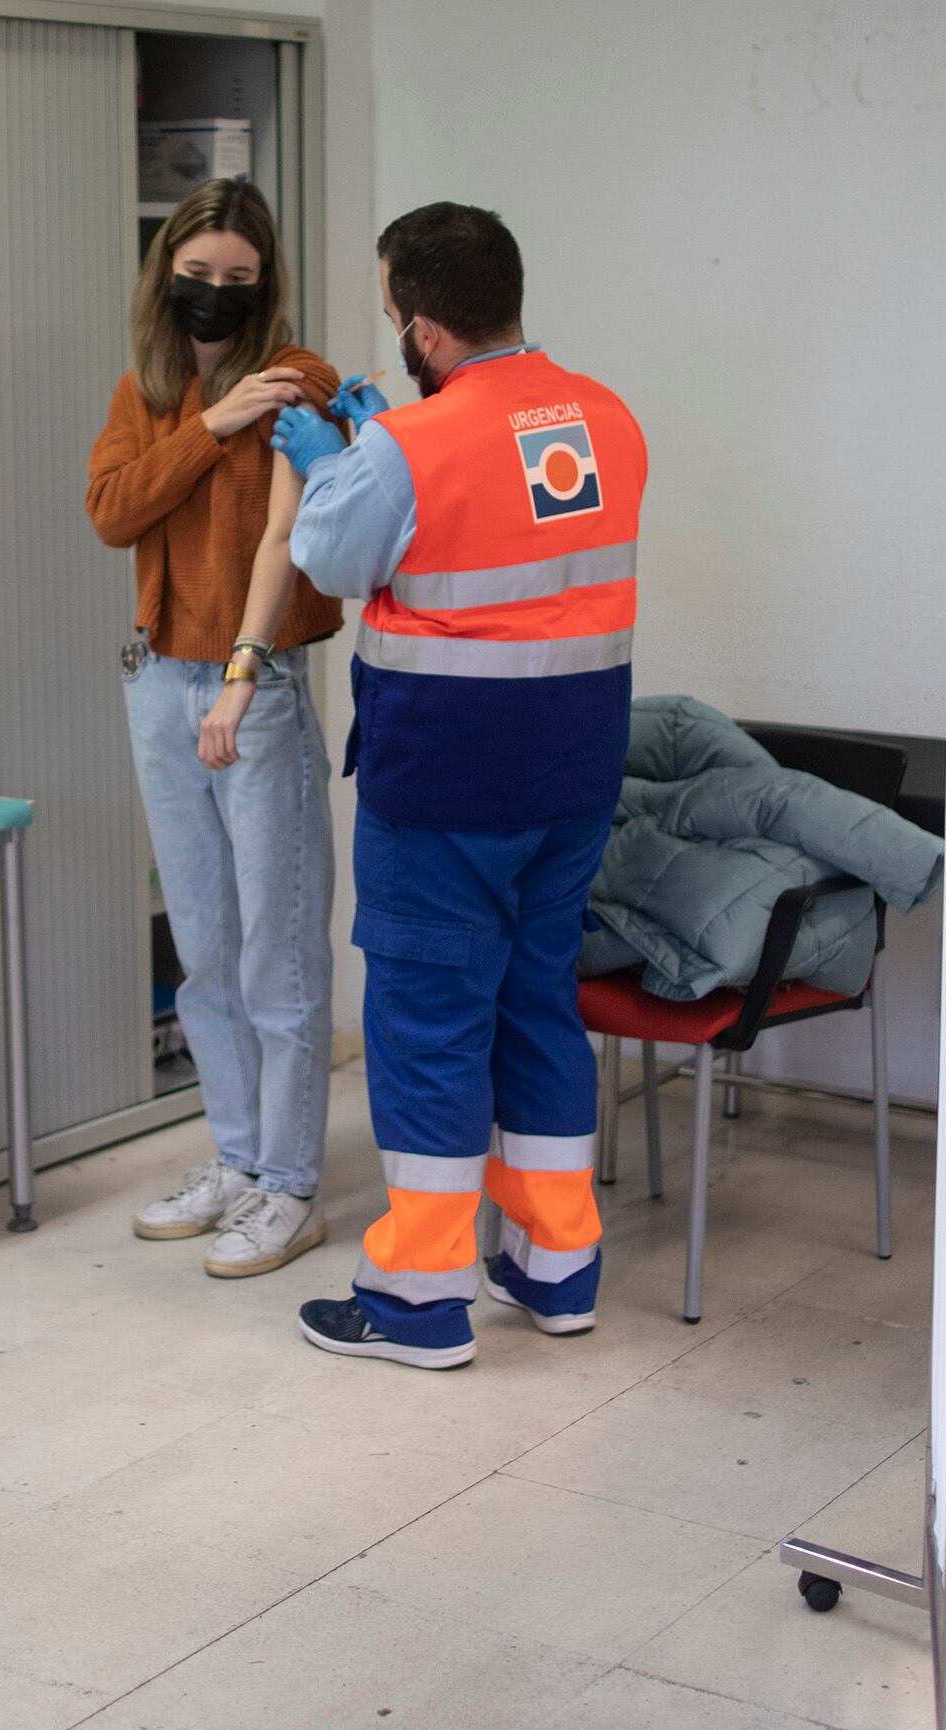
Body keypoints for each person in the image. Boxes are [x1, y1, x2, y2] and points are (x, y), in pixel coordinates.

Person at [269, 202, 646, 1368]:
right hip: (573, 774)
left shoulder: (408, 448)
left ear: (424, 328)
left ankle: (418, 1300)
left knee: (429, 1025)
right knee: (537, 1005)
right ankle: (556, 1266)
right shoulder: (607, 419)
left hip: (446, 784)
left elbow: (328, 561)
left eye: (393, 317)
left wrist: (341, 470)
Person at [85, 178, 342, 1279]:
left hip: (259, 684)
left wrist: (240, 678)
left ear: (265, 282)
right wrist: (209, 423)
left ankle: (288, 1186)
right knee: (203, 952)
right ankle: (236, 1161)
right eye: (200, 278)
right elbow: (113, 513)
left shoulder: (302, 379)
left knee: (275, 953)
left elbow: (290, 540)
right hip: (157, 681)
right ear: (168, 276)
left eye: (239, 280)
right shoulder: (143, 391)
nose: (218, 296)